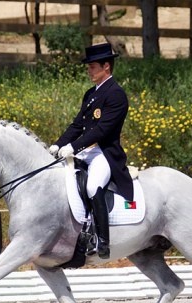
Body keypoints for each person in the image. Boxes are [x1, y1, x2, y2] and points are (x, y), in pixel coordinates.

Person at [49, 43, 134, 259]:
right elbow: (78, 125)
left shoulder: (116, 94)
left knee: (93, 185)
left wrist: (73, 147)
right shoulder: (90, 94)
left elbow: (103, 130)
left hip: (104, 153)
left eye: (93, 67)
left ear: (106, 66)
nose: (89, 70)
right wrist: (59, 144)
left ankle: (102, 241)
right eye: (89, 67)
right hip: (85, 152)